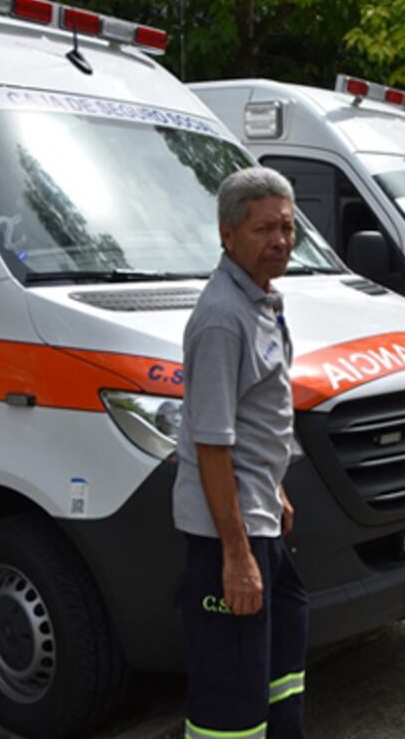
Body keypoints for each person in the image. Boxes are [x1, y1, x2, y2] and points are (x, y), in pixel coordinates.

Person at [174, 168, 308, 739]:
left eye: (287, 227)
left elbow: (254, 417)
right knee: (229, 691)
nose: (280, 240)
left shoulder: (262, 301)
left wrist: (274, 487)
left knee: (279, 655)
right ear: (227, 235)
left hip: (259, 514)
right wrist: (236, 555)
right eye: (263, 229)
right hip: (228, 534)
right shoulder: (222, 318)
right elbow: (210, 442)